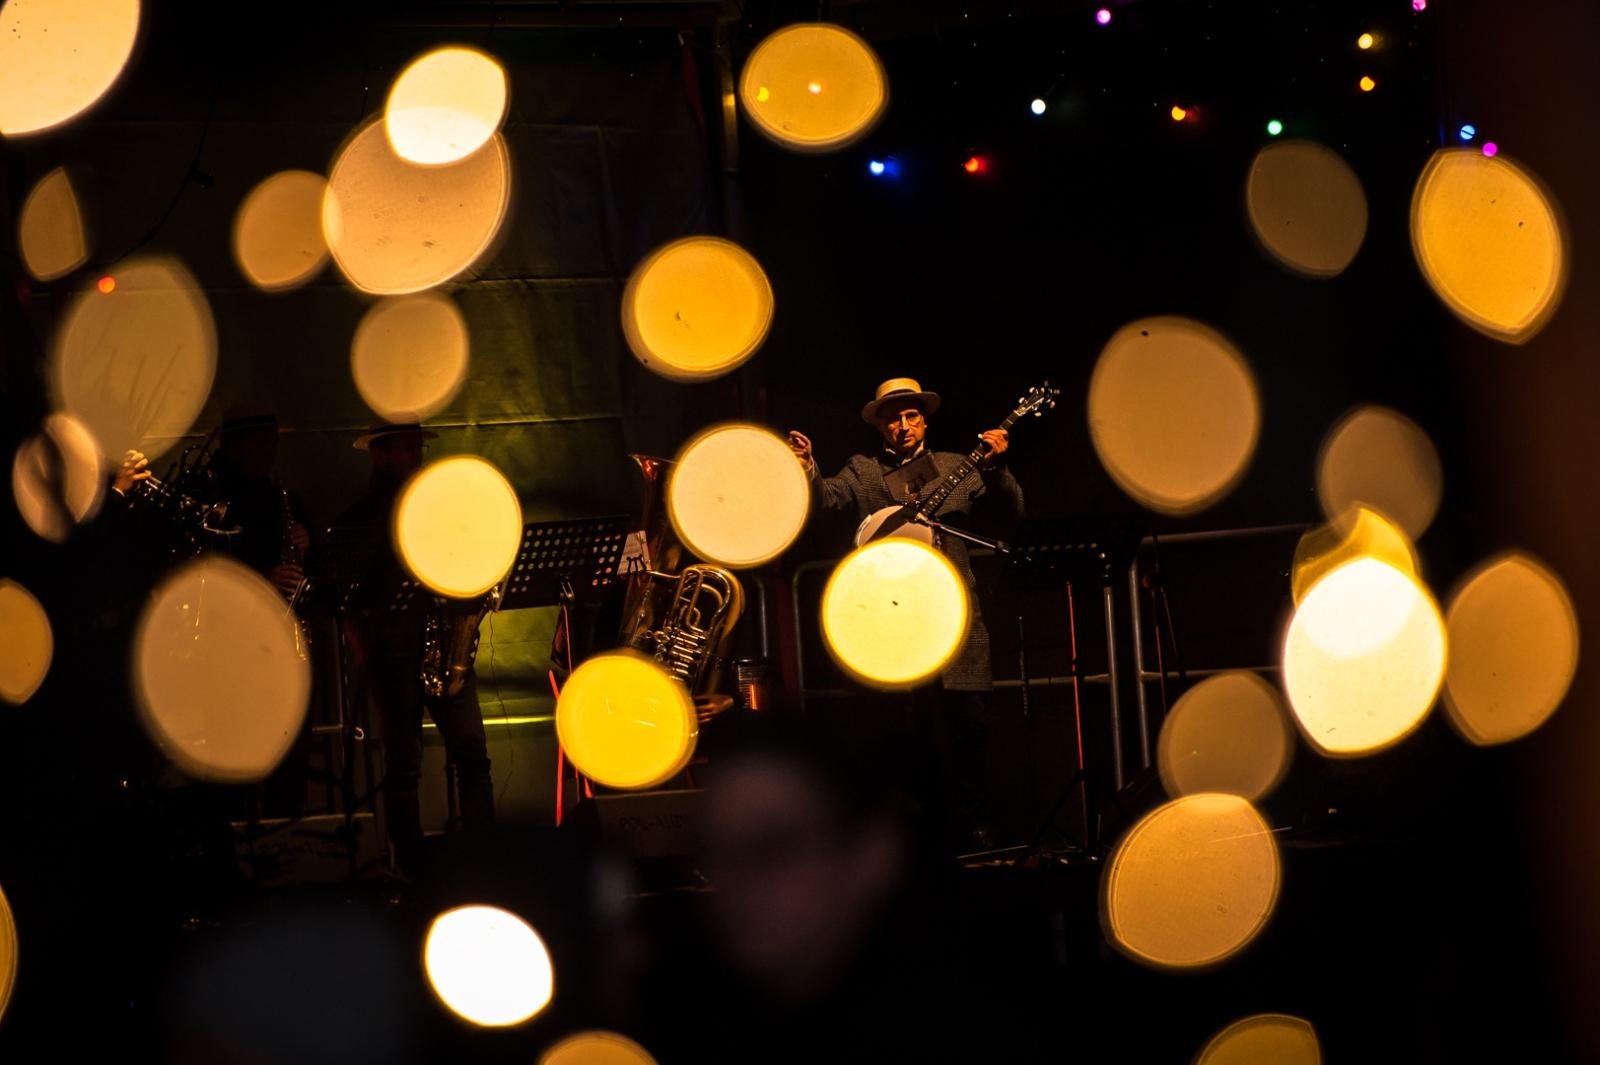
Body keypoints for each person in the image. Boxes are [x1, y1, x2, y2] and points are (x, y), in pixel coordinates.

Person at [787, 377, 1025, 851]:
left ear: (924, 419)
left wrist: (998, 470)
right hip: (890, 626)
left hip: (953, 621)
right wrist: (807, 469)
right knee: (899, 733)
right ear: (879, 424)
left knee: (968, 728)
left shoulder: (960, 466)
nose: (903, 425)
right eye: (892, 417)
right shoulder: (863, 472)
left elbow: (1012, 513)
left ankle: (973, 832)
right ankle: (906, 841)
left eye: (911, 415)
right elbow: (824, 501)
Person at [331, 422, 494, 876]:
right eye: (407, 448)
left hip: (443, 644)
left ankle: (484, 857)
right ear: (379, 454)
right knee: (404, 766)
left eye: (418, 447)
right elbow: (346, 597)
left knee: (472, 754)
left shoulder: (441, 509)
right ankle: (412, 867)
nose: (417, 456)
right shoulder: (360, 518)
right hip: (393, 654)